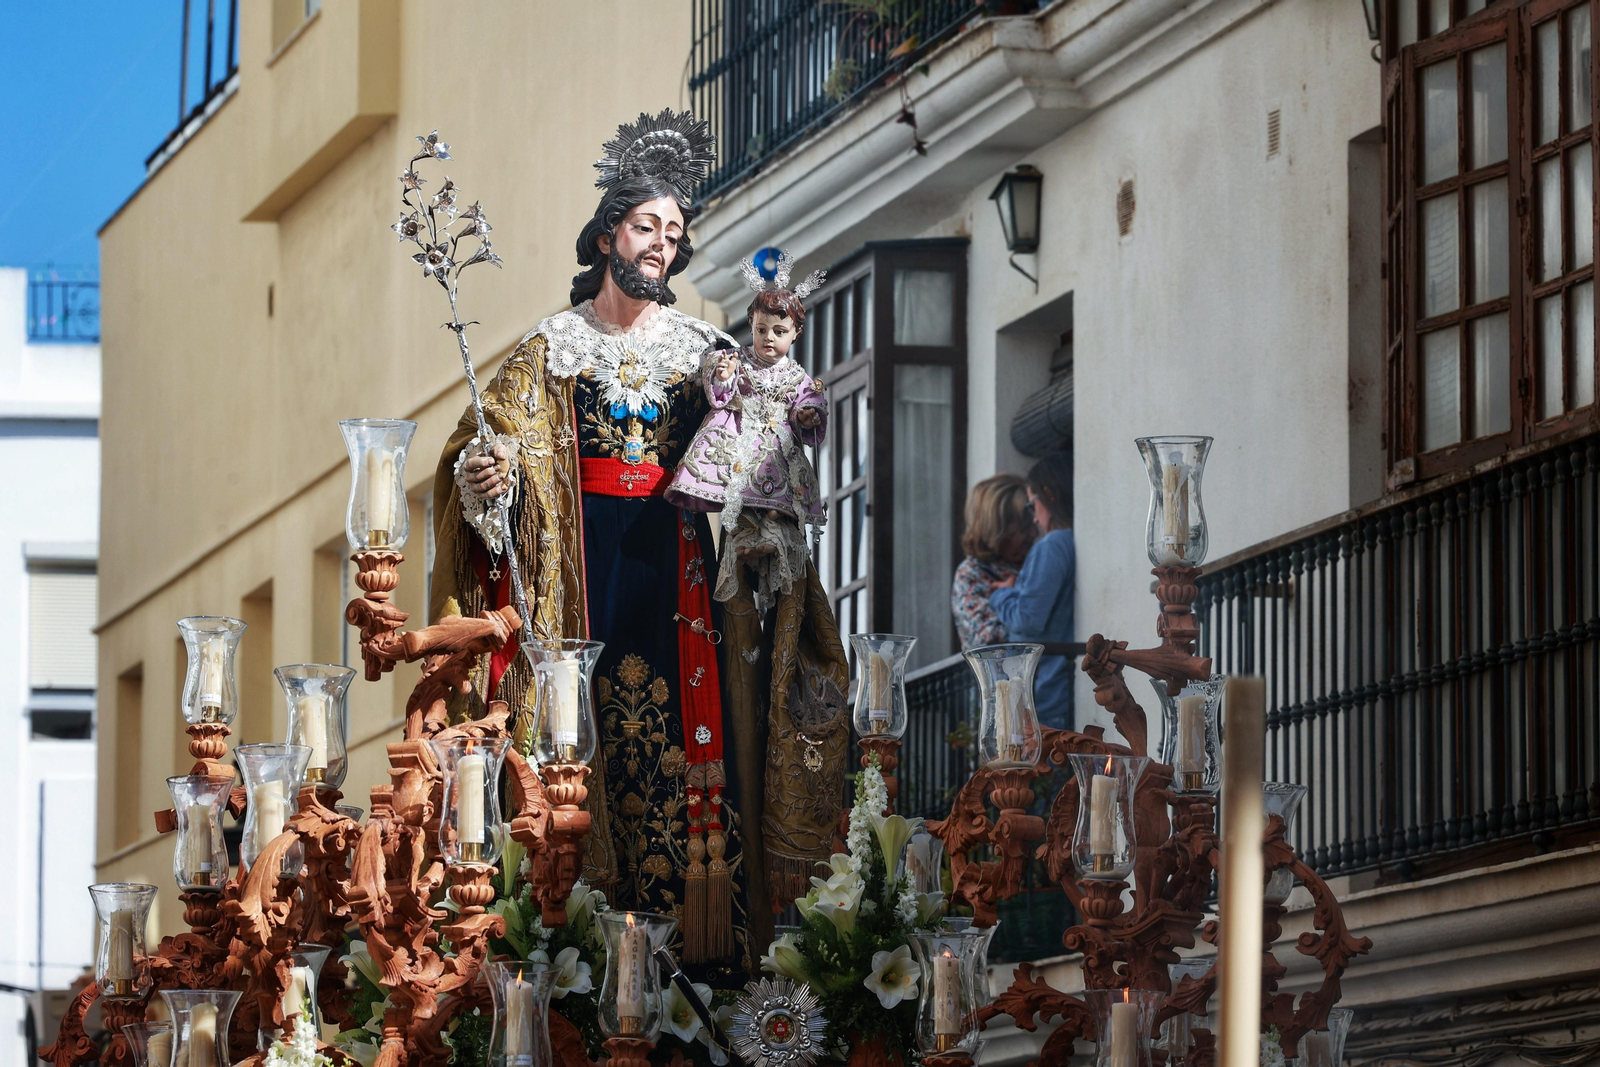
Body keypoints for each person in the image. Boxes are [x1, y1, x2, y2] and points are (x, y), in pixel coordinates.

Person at [430, 110, 848, 977]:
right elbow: (481, 450)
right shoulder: (548, 352)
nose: (663, 243)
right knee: (580, 759)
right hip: (581, 584)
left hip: (682, 578)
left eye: (675, 232)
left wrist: (769, 513)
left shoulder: (709, 353)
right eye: (648, 225)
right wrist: (485, 482)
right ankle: (576, 952)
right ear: (607, 234)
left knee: (698, 760)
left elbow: (761, 455)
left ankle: (701, 958)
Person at [667, 250, 828, 608]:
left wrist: (806, 417)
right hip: (740, 443)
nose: (769, 338)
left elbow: (809, 405)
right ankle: (748, 536)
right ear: (752, 324)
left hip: (777, 450)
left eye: (779, 331)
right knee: (739, 502)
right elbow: (721, 395)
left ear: (796, 333)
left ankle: (773, 528)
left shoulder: (797, 377)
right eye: (761, 329)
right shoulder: (738, 360)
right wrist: (722, 376)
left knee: (779, 500)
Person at [989, 451, 1075, 729]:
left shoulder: (1051, 546)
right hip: (1060, 692)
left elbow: (1028, 619)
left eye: (1032, 504)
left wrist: (1001, 594)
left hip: (1045, 698)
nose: (1035, 519)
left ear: (1048, 495)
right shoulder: (1071, 542)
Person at [950, 474, 1036, 650]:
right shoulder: (971, 574)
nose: (1034, 534)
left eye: (1034, 524)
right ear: (997, 530)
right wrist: (1012, 597)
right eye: (1024, 528)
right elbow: (989, 639)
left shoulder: (1036, 561)